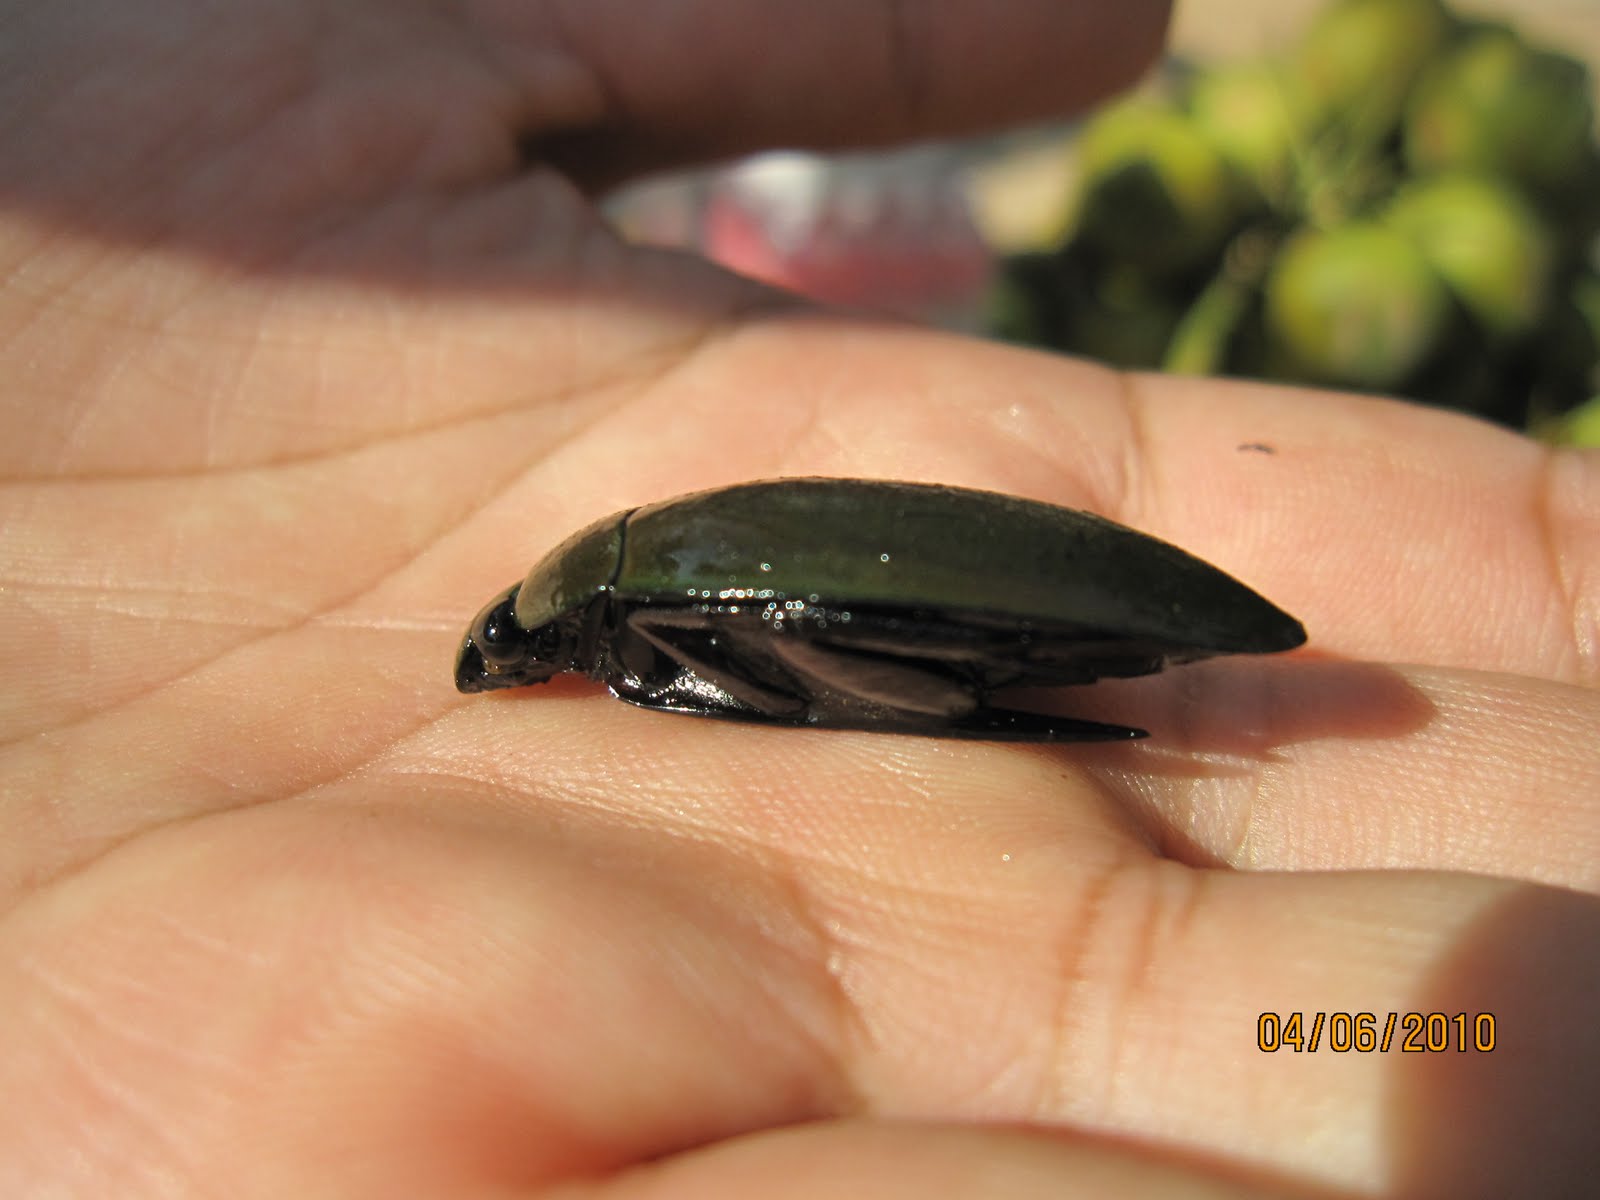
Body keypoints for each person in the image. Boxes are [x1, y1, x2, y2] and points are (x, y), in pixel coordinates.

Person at [0, 2, 1594, 1195]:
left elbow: (736, 666)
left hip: (963, 593)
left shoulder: (653, 602)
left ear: (573, 627)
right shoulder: (642, 601)